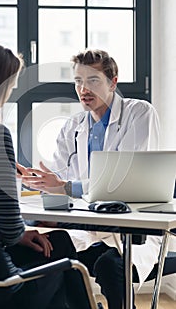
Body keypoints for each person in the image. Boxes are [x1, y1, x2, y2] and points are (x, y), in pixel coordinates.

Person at [0, 41, 93, 309]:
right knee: (63, 258)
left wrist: (20, 235)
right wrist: (19, 233)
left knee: (56, 244)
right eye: (10, 86)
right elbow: (9, 227)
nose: (10, 93)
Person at [18, 49, 162, 309]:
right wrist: (38, 182)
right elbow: (59, 180)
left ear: (113, 82)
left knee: (108, 266)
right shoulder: (72, 126)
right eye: (78, 81)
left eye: (93, 80)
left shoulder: (139, 113)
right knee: (48, 249)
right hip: (87, 230)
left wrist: (65, 187)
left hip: (130, 231)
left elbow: (129, 180)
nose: (83, 88)